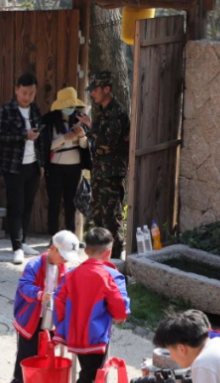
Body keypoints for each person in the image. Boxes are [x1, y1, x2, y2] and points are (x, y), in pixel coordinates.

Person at [48, 228, 128, 383]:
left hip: (74, 335)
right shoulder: (112, 275)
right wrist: (119, 315)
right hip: (97, 337)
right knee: (91, 378)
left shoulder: (72, 274)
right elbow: (120, 308)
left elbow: (58, 299)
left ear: (86, 251)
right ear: (108, 252)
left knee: (88, 374)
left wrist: (63, 326)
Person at [11, 232, 79, 383]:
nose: (65, 260)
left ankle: (42, 378)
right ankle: (19, 382)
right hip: (31, 315)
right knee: (27, 349)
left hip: (51, 315)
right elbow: (24, 285)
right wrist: (39, 294)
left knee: (49, 347)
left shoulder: (62, 267)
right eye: (63, 256)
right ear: (52, 249)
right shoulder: (34, 265)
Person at [0, 72, 43, 265]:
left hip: (33, 164)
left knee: (28, 205)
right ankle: (16, 248)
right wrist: (24, 135)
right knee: (16, 206)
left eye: (31, 93)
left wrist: (41, 164)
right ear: (16, 90)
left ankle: (23, 241)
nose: (27, 97)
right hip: (13, 166)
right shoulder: (6, 110)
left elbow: (41, 138)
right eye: (24, 92)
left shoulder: (35, 110)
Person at [86, 72, 130, 259]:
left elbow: (107, 142)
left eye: (95, 90)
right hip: (99, 172)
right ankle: (99, 257)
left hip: (112, 173)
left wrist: (90, 128)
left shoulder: (117, 112)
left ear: (106, 89)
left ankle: (115, 260)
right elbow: (97, 143)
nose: (92, 94)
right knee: (97, 216)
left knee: (111, 218)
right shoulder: (102, 112)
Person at [41, 87, 92, 237]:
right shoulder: (50, 121)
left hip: (75, 168)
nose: (70, 109)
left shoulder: (79, 121)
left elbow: (84, 147)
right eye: (68, 106)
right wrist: (65, 138)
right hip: (56, 167)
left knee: (71, 203)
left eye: (72, 106)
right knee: (54, 203)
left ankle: (71, 235)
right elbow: (47, 145)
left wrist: (82, 135)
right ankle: (53, 236)